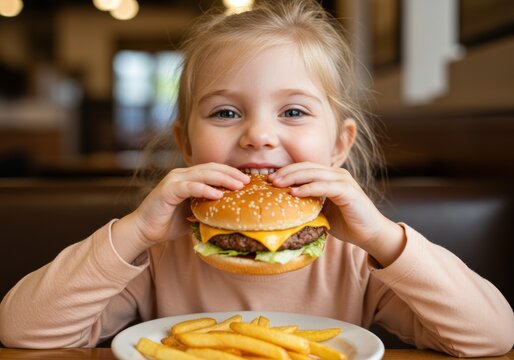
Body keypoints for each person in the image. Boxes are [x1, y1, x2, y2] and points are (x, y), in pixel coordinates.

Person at [1, 0, 513, 356]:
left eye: (293, 111)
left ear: (339, 144)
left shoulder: (359, 255)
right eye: (225, 114)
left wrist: (381, 238)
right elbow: (23, 331)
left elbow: (492, 336)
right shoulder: (157, 250)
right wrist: (135, 231)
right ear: (186, 144)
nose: (258, 136)